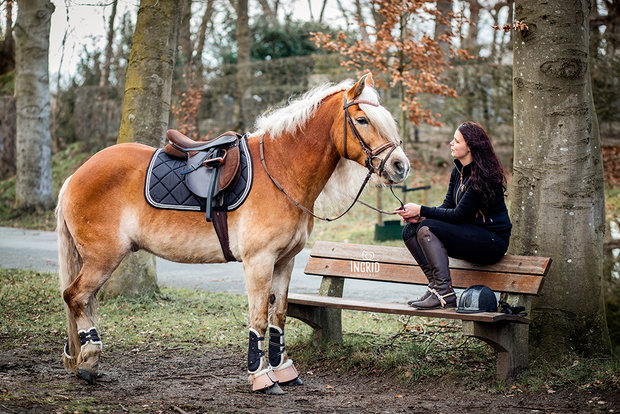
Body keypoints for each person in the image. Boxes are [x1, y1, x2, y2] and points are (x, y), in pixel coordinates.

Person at [394, 121, 511, 309]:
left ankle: (444, 292)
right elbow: (448, 206)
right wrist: (419, 217)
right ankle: (436, 288)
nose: (451, 143)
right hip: (469, 233)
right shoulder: (458, 171)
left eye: (456, 141)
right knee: (411, 230)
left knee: (426, 229)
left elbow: (457, 215)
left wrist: (422, 210)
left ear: (470, 146)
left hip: (491, 241)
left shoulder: (482, 177)